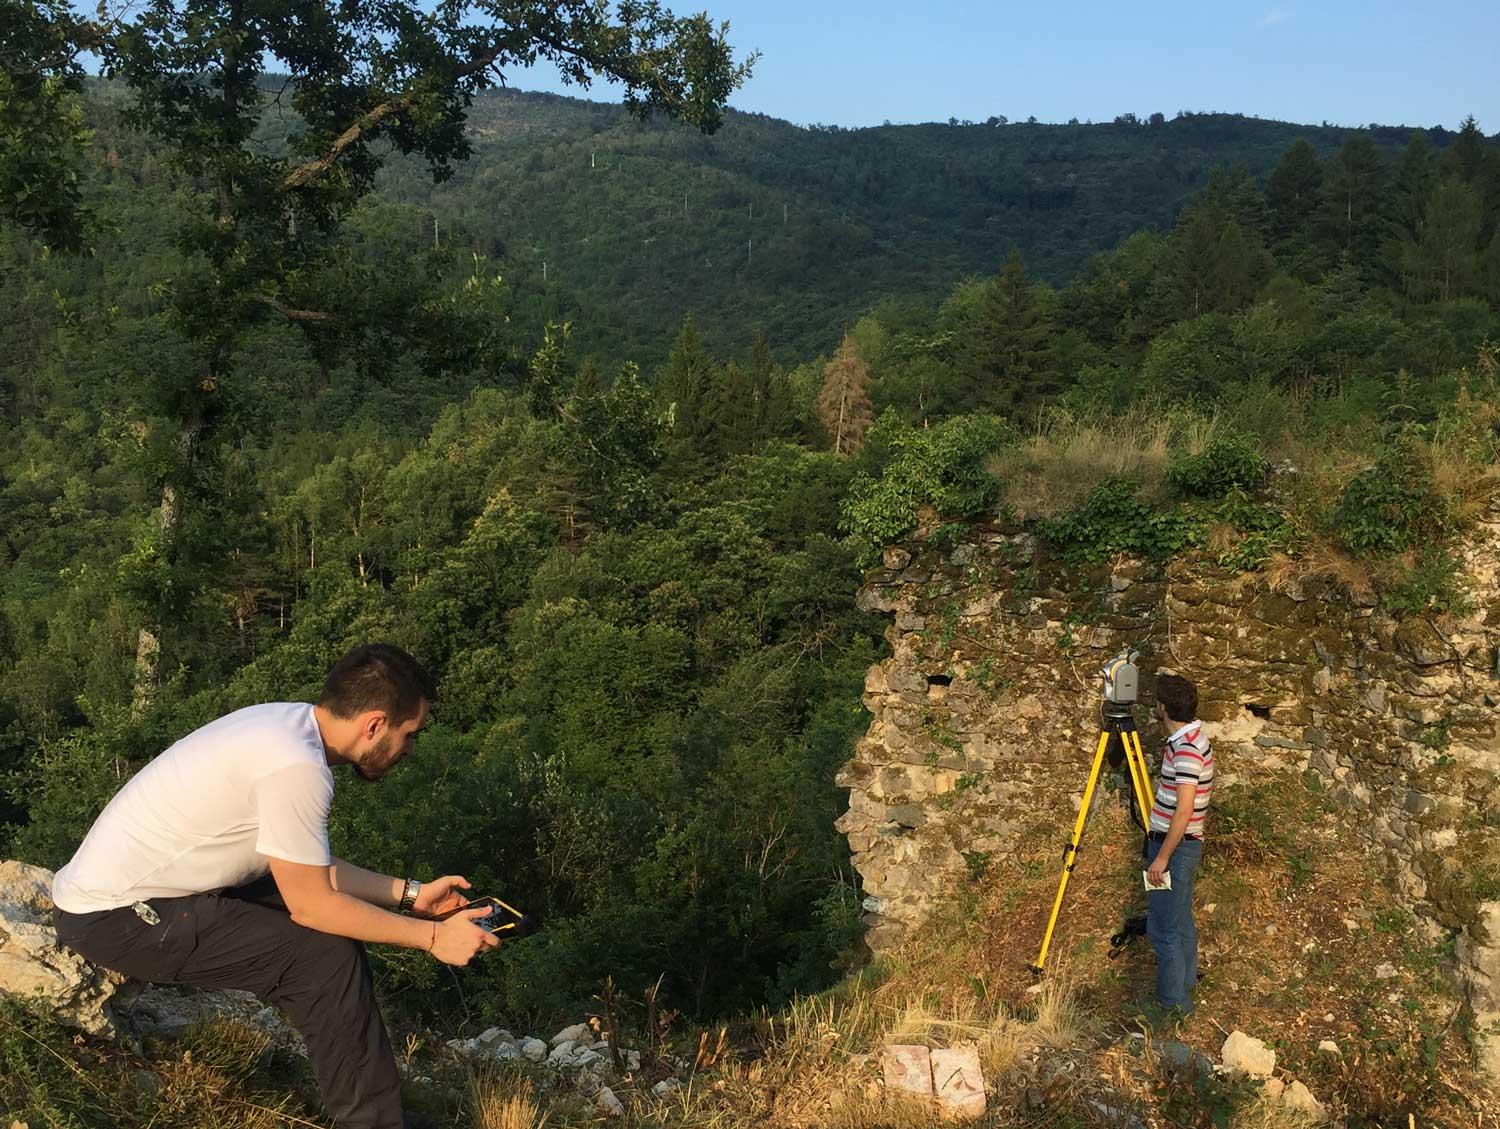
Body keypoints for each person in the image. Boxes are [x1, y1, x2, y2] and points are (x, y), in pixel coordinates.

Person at [51, 643, 497, 1129]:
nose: (410, 748)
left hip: (152, 892)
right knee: (321, 956)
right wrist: (434, 939)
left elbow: (304, 867)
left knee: (326, 937)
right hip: (115, 917)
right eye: (409, 733)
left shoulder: (285, 725)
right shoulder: (297, 766)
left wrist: (410, 895)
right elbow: (312, 905)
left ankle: (369, 1108)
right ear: (373, 725)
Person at [1143, 671, 1213, 1019]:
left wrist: (1162, 859)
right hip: (1182, 846)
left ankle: (1172, 1009)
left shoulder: (1186, 751)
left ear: (1163, 708)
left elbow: (1183, 811)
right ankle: (1184, 994)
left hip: (1175, 848)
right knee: (1181, 923)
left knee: (1164, 929)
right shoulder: (1194, 740)